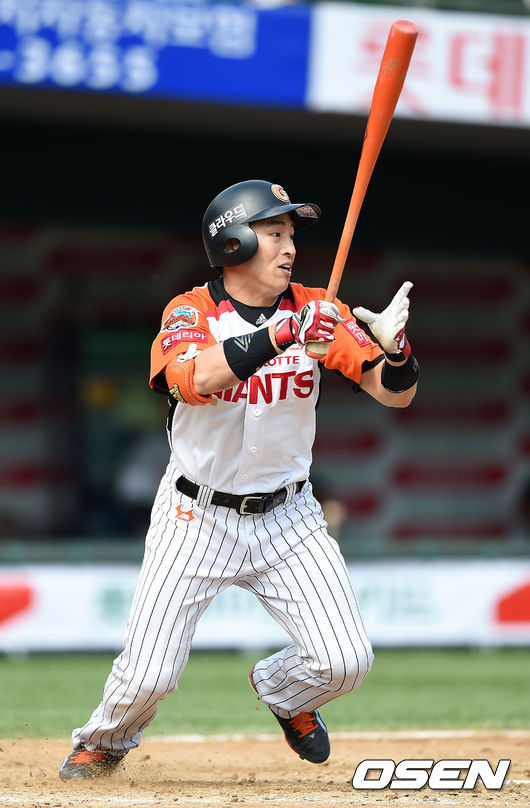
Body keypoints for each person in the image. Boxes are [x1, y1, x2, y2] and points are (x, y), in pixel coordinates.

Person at [59, 179, 418, 780]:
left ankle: (284, 693)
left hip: (289, 517)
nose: (289, 247)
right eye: (274, 232)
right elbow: (190, 380)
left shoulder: (317, 308)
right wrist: (283, 334)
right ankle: (105, 739)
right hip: (194, 516)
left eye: (291, 235)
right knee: (149, 674)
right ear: (232, 242)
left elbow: (393, 393)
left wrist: (397, 350)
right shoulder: (191, 310)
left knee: (345, 661)